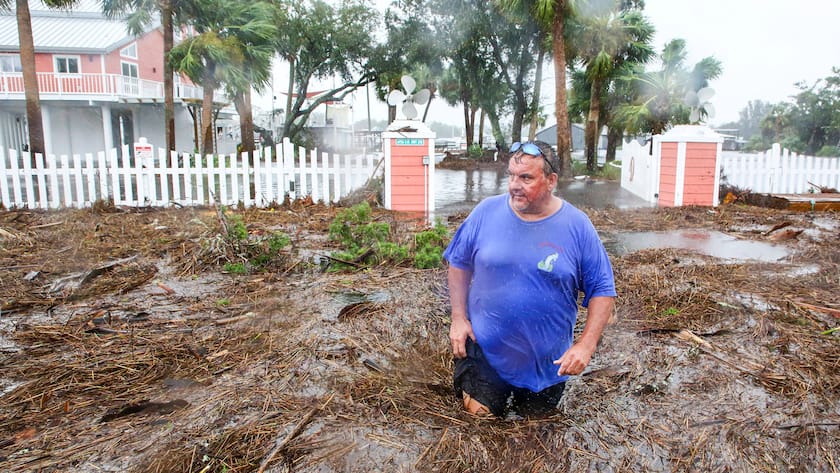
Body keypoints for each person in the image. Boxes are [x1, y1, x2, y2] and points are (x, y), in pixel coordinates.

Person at [443, 140, 616, 418]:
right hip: (486, 351)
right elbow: (459, 262)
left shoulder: (577, 226)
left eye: (525, 178)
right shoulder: (486, 213)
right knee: (480, 419)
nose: (514, 185)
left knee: (535, 430)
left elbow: (602, 290)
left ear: (551, 181)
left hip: (547, 363)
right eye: (511, 175)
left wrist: (586, 344)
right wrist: (459, 318)